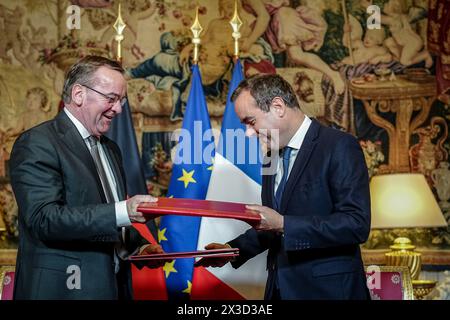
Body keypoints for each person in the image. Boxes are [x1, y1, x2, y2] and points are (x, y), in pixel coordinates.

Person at [196, 74, 371, 300]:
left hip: (329, 292)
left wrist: (283, 223)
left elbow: (356, 223)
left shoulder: (339, 146)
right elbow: (274, 230)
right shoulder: (271, 156)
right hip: (279, 291)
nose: (249, 133)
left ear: (278, 106)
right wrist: (231, 250)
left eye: (250, 122)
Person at [9, 56, 164, 300]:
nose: (119, 109)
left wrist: (138, 246)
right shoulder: (37, 143)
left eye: (121, 101)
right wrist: (124, 211)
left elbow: (103, 213)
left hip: (113, 289)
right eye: (111, 99)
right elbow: (43, 219)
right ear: (79, 94)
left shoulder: (111, 149)